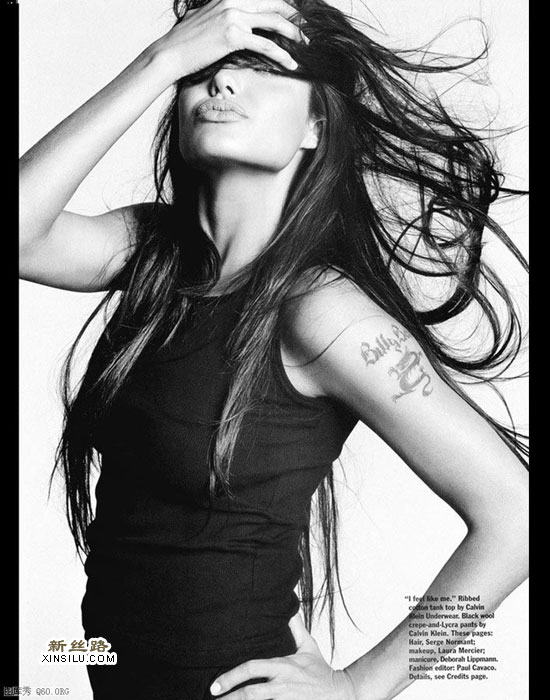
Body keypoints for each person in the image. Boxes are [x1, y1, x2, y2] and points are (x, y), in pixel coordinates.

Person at [19, 0, 528, 698]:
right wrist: (161, 60)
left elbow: (517, 514)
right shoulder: (152, 254)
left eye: (259, 67)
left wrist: (360, 687)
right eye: (204, 66)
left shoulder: (320, 311)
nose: (222, 82)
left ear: (317, 123)